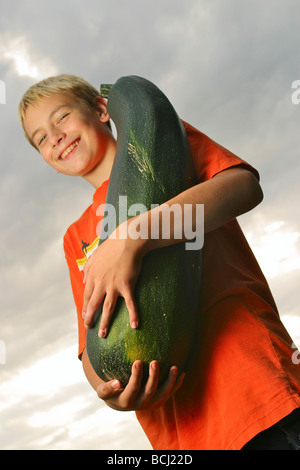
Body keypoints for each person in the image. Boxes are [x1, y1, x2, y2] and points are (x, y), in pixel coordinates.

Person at [18, 74, 300, 450]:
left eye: (62, 117)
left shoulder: (161, 140)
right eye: (40, 139)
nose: (54, 136)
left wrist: (132, 237)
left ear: (103, 110)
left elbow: (244, 187)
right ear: (47, 161)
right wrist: (107, 390)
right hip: (178, 432)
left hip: (254, 393)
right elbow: (89, 340)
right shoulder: (75, 238)